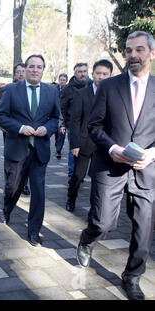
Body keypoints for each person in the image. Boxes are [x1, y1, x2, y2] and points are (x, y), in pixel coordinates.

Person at [76, 31, 155, 300]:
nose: (133, 55)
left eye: (140, 50)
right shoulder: (110, 87)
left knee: (143, 232)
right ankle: (87, 239)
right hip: (110, 166)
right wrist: (112, 148)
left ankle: (132, 277)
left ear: (151, 54)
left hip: (145, 170)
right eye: (129, 50)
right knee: (103, 223)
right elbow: (94, 126)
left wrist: (153, 154)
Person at [0, 54, 60, 247]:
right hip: (17, 149)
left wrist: (47, 128)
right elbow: (0, 116)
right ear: (25, 68)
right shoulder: (11, 90)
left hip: (39, 150)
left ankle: (34, 230)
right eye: (31, 66)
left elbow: (56, 118)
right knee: (12, 188)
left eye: (38, 67)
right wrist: (20, 128)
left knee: (38, 192)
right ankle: (7, 209)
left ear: (43, 70)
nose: (34, 70)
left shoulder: (51, 92)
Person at [65, 59, 113, 212]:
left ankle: (96, 207)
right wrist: (75, 144)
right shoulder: (81, 94)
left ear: (110, 75)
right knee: (78, 176)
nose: (101, 77)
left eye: (105, 74)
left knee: (100, 179)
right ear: (93, 74)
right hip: (85, 142)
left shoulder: (113, 93)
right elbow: (75, 120)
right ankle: (71, 198)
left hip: (105, 144)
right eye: (98, 73)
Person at [0, 63, 31, 196]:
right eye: (18, 72)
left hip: (27, 131)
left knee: (26, 158)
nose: (21, 74)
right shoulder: (7, 89)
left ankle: (24, 184)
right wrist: (1, 125)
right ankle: (10, 183)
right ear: (14, 74)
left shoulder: (31, 90)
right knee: (11, 159)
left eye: (23, 71)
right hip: (10, 130)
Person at [60, 63, 92, 176]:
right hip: (74, 125)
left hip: (91, 125)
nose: (82, 74)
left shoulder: (93, 86)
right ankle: (73, 173)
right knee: (74, 149)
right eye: (80, 72)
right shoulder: (67, 89)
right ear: (75, 73)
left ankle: (84, 173)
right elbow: (62, 108)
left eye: (84, 71)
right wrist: (64, 124)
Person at [54, 73, 68, 159]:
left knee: (61, 133)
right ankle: (57, 145)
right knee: (56, 133)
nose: (62, 82)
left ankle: (58, 150)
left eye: (64, 80)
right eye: (61, 80)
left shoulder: (68, 90)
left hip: (64, 116)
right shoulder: (54, 90)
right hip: (55, 114)